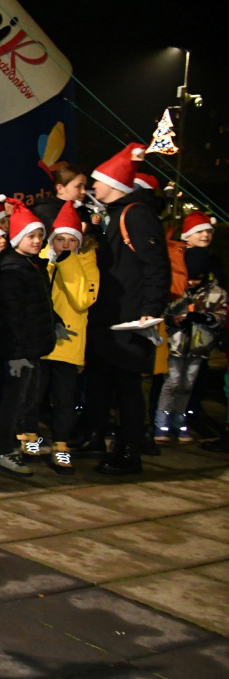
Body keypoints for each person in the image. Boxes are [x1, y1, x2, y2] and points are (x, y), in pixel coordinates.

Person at [83, 144, 170, 474]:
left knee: (128, 387)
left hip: (130, 319)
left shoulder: (135, 214)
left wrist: (150, 310)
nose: (93, 187)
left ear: (113, 184)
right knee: (108, 383)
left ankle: (130, 451)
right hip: (110, 316)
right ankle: (107, 441)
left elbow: (155, 265)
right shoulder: (114, 213)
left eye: (98, 181)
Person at [33, 200, 99, 474]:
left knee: (64, 400)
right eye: (59, 239)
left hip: (69, 343)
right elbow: (35, 292)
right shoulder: (42, 258)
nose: (64, 244)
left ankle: (61, 447)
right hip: (41, 340)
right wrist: (49, 263)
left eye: (71, 240)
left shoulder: (86, 262)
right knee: (33, 395)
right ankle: (28, 439)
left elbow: (83, 299)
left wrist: (67, 263)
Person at [0, 200, 56, 477]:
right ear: (18, 238)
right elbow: (12, 314)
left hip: (31, 347)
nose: (37, 240)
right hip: (19, 350)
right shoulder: (12, 269)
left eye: (39, 235)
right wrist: (18, 351)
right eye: (31, 236)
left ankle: (5, 442)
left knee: (28, 399)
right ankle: (4, 448)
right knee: (15, 399)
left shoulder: (30, 265)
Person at [155, 248, 226, 442]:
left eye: (197, 278)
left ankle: (179, 422)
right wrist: (174, 320)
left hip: (198, 347)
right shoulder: (176, 289)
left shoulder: (216, 292)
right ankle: (160, 423)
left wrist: (205, 317)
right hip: (176, 345)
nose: (192, 282)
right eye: (190, 277)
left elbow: (221, 317)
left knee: (187, 385)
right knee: (172, 382)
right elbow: (162, 313)